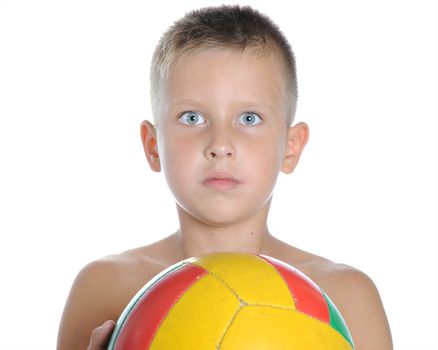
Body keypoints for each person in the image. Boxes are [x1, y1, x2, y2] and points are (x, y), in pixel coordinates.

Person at [57, 5, 393, 350]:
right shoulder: (102, 286)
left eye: (249, 118)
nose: (220, 145)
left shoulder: (345, 296)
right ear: (153, 145)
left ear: (291, 147)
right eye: (192, 118)